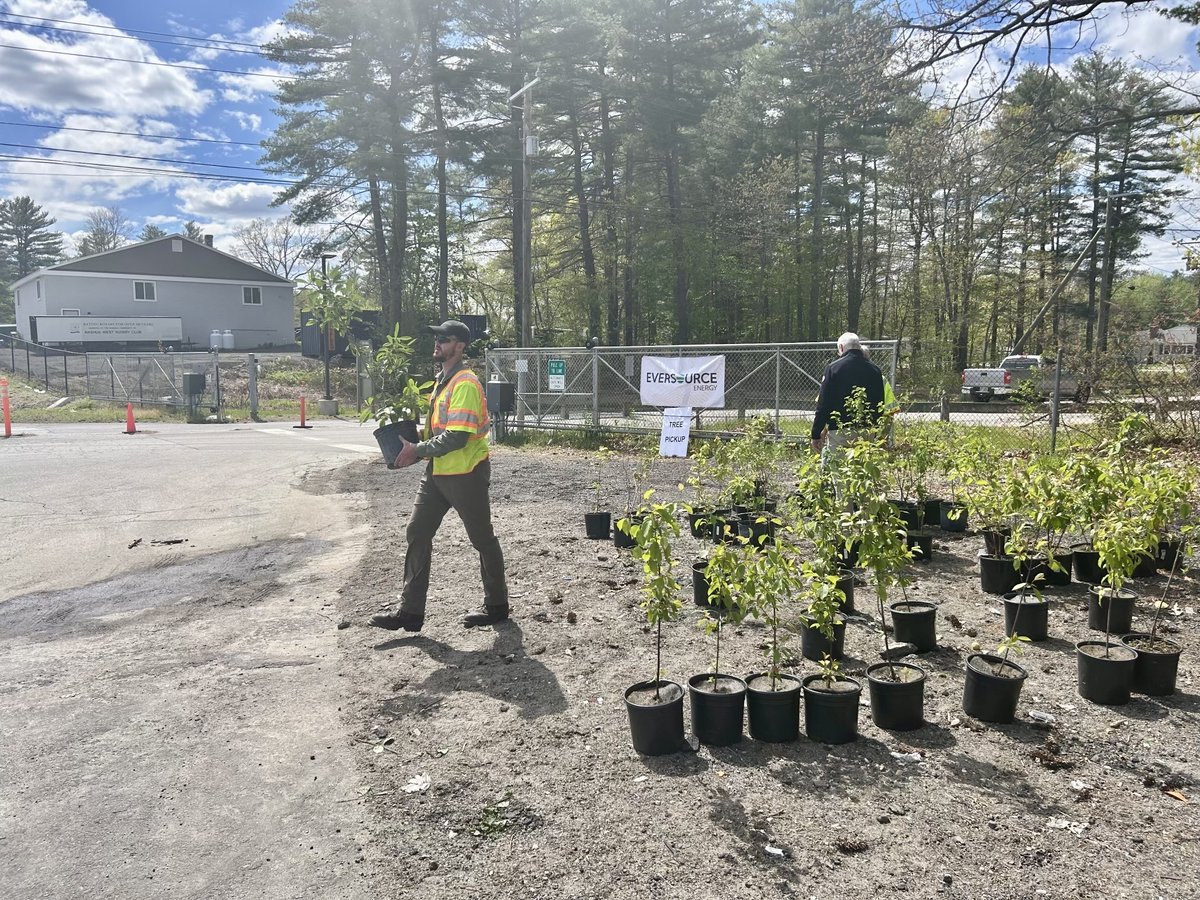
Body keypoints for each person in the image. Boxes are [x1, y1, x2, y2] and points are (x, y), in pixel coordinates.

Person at [368, 320, 509, 632]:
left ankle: (497, 606)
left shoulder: (466, 384)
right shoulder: (443, 381)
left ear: (459, 346)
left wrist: (418, 450)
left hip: (466, 473)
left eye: (443, 339)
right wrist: (412, 439)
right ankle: (410, 612)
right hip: (438, 473)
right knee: (417, 532)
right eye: (436, 338)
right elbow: (439, 430)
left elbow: (458, 436)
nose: (437, 343)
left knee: (482, 539)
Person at [810, 332, 886, 457]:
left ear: (841, 347)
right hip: (867, 429)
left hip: (839, 430)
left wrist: (816, 433)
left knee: (839, 471)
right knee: (863, 471)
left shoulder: (833, 368)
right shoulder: (875, 370)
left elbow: (823, 404)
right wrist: (875, 429)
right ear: (858, 346)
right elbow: (880, 403)